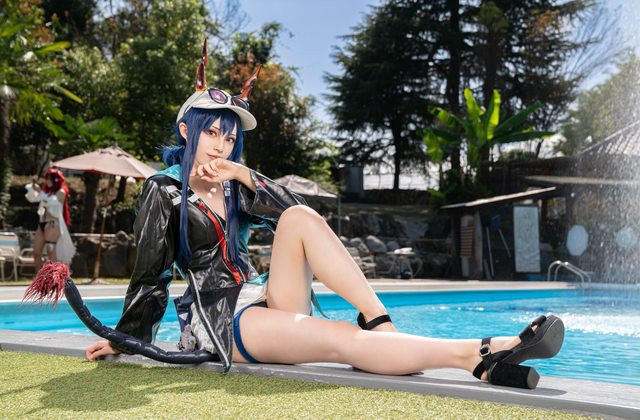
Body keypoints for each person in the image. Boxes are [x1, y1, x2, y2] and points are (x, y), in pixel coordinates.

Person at [84, 43, 564, 389]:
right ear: (187, 131)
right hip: (220, 318)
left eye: (229, 138)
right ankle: (479, 355)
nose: (221, 145)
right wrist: (125, 339)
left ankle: (379, 321)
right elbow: (149, 277)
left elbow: (300, 216)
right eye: (211, 133)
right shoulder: (163, 190)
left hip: (262, 298)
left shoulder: (234, 184)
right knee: (340, 338)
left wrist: (244, 174)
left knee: (298, 219)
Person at [25, 168, 76, 272]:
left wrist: (39, 191)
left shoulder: (61, 191)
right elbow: (32, 198)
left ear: (56, 180)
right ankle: (40, 279)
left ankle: (55, 278)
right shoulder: (46, 192)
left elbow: (49, 201)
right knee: (36, 253)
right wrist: (34, 185)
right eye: (46, 178)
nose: (47, 181)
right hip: (42, 223)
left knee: (50, 250)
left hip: (53, 224)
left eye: (50, 179)